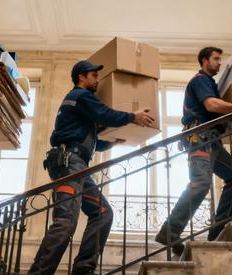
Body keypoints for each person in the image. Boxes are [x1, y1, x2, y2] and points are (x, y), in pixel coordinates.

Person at [28, 60, 154, 275]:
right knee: (66, 222)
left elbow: (87, 137)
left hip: (78, 167)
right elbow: (106, 115)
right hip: (68, 163)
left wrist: (112, 143)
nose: (97, 79)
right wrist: (134, 116)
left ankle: (83, 269)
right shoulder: (81, 96)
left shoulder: (81, 103)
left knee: (103, 213)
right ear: (81, 77)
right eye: (93, 75)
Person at [155, 47, 232, 255]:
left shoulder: (211, 84)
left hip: (212, 141)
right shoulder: (201, 80)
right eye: (216, 59)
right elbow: (210, 105)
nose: (219, 63)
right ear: (205, 61)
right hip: (199, 137)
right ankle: (169, 232)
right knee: (201, 183)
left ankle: (217, 231)